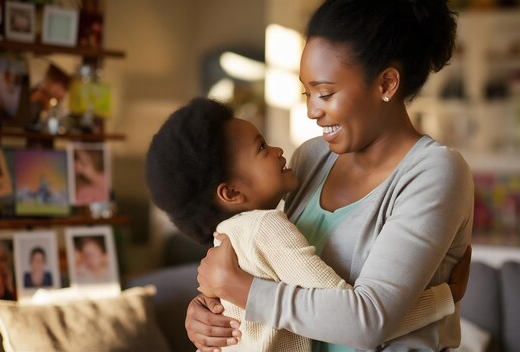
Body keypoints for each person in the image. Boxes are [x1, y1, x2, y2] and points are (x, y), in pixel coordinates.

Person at [189, 0, 473, 351]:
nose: (312, 111)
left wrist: (240, 290)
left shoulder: (434, 173)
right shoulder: (311, 159)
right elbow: (268, 264)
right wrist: (210, 311)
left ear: (386, 83)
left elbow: (368, 323)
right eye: (307, 93)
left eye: (325, 93)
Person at [146, 97, 468, 351]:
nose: (277, 150)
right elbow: (355, 321)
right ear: (230, 193)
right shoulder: (268, 227)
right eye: (261, 148)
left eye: (326, 92)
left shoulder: (228, 236)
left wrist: (225, 297)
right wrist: (442, 298)